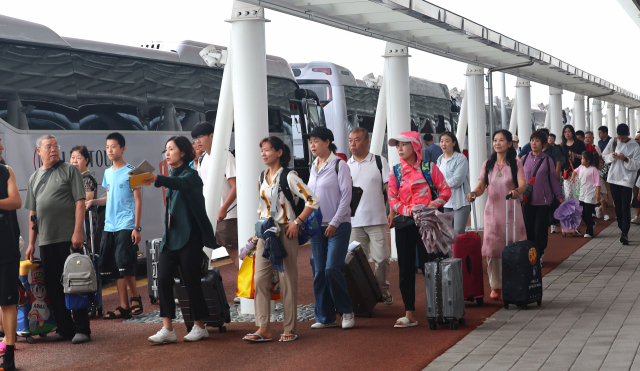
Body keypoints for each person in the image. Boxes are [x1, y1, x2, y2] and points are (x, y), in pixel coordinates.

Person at [243, 136, 319, 343]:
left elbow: (313, 200)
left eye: (268, 150)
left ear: (279, 152)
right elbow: (262, 207)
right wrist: (258, 228)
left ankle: (290, 328)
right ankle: (263, 328)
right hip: (266, 234)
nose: (264, 154)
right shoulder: (262, 176)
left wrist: (298, 222)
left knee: (287, 281)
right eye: (262, 151)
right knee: (259, 280)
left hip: (286, 232)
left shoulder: (289, 176)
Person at [144, 136, 216, 343]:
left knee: (190, 280)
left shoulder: (191, 176)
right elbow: (170, 182)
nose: (167, 153)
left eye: (171, 149)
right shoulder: (173, 174)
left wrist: (158, 178)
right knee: (163, 278)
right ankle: (168, 328)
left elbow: (180, 184)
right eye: (165, 150)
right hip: (171, 236)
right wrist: (154, 180)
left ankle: (200, 326)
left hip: (191, 235)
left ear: (182, 153)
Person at [24, 134, 91, 344]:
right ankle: (65, 328)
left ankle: (83, 328)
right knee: (53, 285)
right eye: (48, 147)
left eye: (55, 146)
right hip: (46, 240)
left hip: (68, 238)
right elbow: (33, 213)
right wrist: (32, 242)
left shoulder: (70, 171)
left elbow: (80, 203)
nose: (53, 149)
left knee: (75, 282)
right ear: (39, 152)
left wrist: (78, 232)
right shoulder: (34, 178)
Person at [388, 131, 451, 328]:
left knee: (429, 266)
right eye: (397, 145)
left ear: (415, 146)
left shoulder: (429, 168)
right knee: (405, 268)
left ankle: (438, 308)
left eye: (403, 144)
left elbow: (445, 191)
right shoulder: (395, 171)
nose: (399, 148)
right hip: (405, 223)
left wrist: (431, 205)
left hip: (428, 224)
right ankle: (409, 314)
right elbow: (392, 198)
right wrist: (407, 210)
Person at [86, 133, 143, 319]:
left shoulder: (133, 171)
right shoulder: (107, 173)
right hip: (109, 226)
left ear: (123, 149)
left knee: (124, 263)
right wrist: (94, 201)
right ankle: (124, 306)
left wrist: (137, 227)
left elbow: (138, 201)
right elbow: (108, 198)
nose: (110, 150)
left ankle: (135, 296)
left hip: (126, 224)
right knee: (115, 267)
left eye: (114, 147)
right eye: (107, 147)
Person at [305, 127, 355, 330]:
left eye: (316, 141)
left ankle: (347, 310)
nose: (312, 146)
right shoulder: (313, 166)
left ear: (327, 142)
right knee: (318, 271)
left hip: (339, 225)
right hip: (317, 226)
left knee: (331, 269)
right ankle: (325, 317)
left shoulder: (339, 165)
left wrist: (335, 222)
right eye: (310, 142)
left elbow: (346, 196)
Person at [467, 130, 526, 300]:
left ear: (509, 144)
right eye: (495, 140)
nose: (497, 143)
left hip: (511, 211)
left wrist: (516, 191)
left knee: (512, 246)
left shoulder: (516, 164)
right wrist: (474, 193)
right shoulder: (488, 164)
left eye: (501, 140)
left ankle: (514, 282)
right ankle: (496, 285)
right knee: (492, 248)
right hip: (492, 212)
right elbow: (481, 186)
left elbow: (523, 184)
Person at [347, 128, 393, 305]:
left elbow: (389, 188)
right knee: (358, 262)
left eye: (357, 140)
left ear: (367, 142)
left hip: (377, 219)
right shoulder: (345, 166)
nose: (352, 143)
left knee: (382, 258)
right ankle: (365, 295)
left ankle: (382, 289)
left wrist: (392, 211)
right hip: (353, 222)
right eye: (350, 140)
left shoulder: (379, 162)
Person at [191, 122, 239, 272]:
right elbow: (201, 184)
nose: (196, 141)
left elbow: (236, 186)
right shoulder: (204, 158)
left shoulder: (226, 157)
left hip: (227, 215)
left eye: (200, 137)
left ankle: (251, 287)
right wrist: (196, 159)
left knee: (234, 251)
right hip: (211, 214)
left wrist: (224, 208)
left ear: (212, 136)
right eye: (195, 138)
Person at [521, 131, 563, 263]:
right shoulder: (524, 159)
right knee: (528, 228)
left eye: (537, 141)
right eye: (532, 140)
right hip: (527, 200)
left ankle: (539, 253)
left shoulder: (547, 160)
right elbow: (518, 179)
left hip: (543, 202)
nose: (533, 143)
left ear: (544, 144)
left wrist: (560, 197)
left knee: (540, 228)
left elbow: (554, 181)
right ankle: (531, 253)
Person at [0, 135, 21, 370]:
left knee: (8, 301)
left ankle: (10, 354)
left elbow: (15, 200)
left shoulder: (6, 171)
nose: (2, 146)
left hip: (6, 246)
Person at [602, 124, 640, 244]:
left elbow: (637, 164)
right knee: (617, 206)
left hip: (627, 180)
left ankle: (625, 233)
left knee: (625, 207)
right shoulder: (613, 141)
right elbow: (604, 156)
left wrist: (625, 159)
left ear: (628, 134)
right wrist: (611, 156)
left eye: (623, 138)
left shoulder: (635, 146)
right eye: (619, 137)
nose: (621, 140)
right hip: (613, 178)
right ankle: (621, 227)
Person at [436, 132, 471, 234]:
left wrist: (441, 185)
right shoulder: (439, 160)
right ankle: (451, 251)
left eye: (447, 141)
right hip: (446, 202)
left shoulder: (461, 158)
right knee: (448, 233)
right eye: (442, 141)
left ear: (454, 143)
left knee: (458, 232)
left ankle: (459, 251)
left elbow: (457, 180)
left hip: (460, 201)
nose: (444, 144)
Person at [70, 146, 98, 254]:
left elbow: (85, 202)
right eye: (72, 157)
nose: (74, 161)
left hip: (86, 221)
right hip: (77, 220)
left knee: (87, 251)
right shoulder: (75, 176)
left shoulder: (87, 178)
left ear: (86, 160)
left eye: (78, 158)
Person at [570, 151, 601, 238]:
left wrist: (598, 194)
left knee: (587, 212)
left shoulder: (594, 170)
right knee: (581, 211)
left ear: (588, 161)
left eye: (583, 158)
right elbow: (575, 171)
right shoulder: (581, 167)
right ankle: (591, 223)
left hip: (590, 194)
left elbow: (597, 183)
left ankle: (589, 231)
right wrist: (572, 178)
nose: (581, 160)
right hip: (582, 193)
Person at [560, 125, 586, 201]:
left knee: (578, 193)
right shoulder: (562, 145)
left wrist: (576, 155)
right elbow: (561, 159)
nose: (567, 133)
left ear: (572, 132)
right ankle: (570, 211)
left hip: (578, 171)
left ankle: (578, 211)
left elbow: (585, 156)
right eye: (565, 132)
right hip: (567, 172)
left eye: (569, 131)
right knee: (568, 194)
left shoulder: (579, 143)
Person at [596, 156, 611, 221]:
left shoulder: (602, 171)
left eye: (602, 163)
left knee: (605, 202)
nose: (601, 164)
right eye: (599, 163)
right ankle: (605, 215)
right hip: (597, 189)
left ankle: (598, 209)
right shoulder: (594, 170)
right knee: (603, 201)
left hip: (603, 189)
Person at [632, 134, 640, 225]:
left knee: (637, 194)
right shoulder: (635, 149)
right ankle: (637, 216)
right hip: (636, 174)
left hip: (638, 174)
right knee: (637, 194)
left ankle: (637, 216)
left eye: (638, 139)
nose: (636, 141)